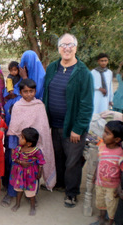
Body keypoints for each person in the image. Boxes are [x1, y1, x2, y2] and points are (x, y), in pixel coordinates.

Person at [43, 33, 94, 208]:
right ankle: (60, 184)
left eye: (70, 44)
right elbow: (46, 94)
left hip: (72, 127)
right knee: (58, 156)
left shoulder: (83, 73)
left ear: (76, 47)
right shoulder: (52, 68)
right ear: (58, 48)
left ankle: (72, 193)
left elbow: (86, 104)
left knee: (72, 161)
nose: (66, 48)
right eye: (63, 45)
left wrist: (78, 128)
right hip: (54, 124)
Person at [1, 79, 56, 207]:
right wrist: (14, 149)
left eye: (31, 91)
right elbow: (14, 128)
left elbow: (42, 127)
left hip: (34, 144)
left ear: (35, 91)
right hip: (18, 142)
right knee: (16, 168)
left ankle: (32, 194)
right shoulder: (17, 106)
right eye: (25, 92)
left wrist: (38, 144)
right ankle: (11, 193)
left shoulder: (39, 105)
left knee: (33, 169)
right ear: (20, 92)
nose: (29, 94)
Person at [91, 121, 123, 225]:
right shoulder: (102, 147)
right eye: (104, 132)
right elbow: (99, 163)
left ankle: (110, 222)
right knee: (101, 203)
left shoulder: (120, 153)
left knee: (111, 206)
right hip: (100, 183)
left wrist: (119, 187)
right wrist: (94, 175)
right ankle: (101, 220)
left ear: (117, 139)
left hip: (112, 187)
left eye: (107, 133)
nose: (103, 135)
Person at [10, 127, 45, 215]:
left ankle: (32, 207)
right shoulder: (18, 148)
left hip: (31, 175)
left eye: (22, 137)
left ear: (29, 143)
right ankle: (17, 204)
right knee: (19, 189)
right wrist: (21, 162)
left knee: (31, 192)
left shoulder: (36, 151)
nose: (19, 138)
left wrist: (40, 172)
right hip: (20, 173)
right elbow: (14, 158)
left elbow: (41, 162)